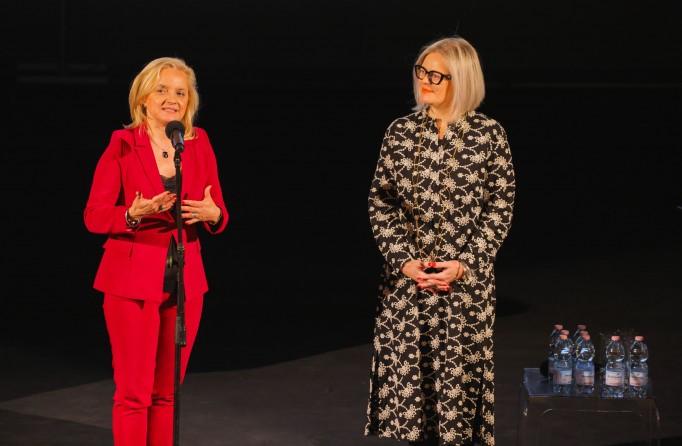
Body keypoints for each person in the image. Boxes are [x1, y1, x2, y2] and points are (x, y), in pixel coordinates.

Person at [365, 36, 515, 446]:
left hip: (464, 287)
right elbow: (381, 202)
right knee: (411, 402)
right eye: (421, 71)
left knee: (456, 403)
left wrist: (465, 264)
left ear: (461, 79)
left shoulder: (488, 135)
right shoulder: (400, 132)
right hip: (407, 285)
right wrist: (403, 261)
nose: (425, 81)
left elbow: (500, 207)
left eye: (437, 75)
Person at [84, 56, 228, 446]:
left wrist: (214, 214)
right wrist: (132, 214)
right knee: (134, 394)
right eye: (162, 90)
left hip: (185, 281)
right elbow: (94, 215)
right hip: (130, 281)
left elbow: (218, 208)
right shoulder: (122, 143)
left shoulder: (198, 143)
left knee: (167, 394)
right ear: (143, 97)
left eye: (180, 92)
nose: (172, 99)